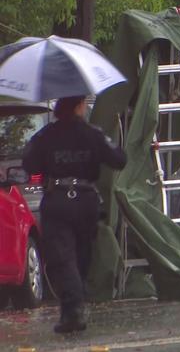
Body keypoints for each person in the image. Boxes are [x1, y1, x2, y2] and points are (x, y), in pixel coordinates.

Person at [22, 95, 126, 333]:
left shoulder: (46, 135)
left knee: (63, 257)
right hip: (86, 200)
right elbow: (119, 159)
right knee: (80, 255)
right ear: (79, 106)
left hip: (58, 198)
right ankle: (72, 310)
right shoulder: (93, 133)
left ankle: (74, 307)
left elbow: (29, 164)